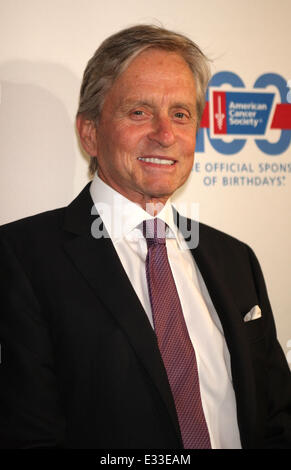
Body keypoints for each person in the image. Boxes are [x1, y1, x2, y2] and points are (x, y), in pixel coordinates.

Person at [0, 24, 291, 450]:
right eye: (139, 112)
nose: (165, 134)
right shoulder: (20, 257)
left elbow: (275, 412)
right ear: (90, 132)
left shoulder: (235, 258)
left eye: (180, 113)